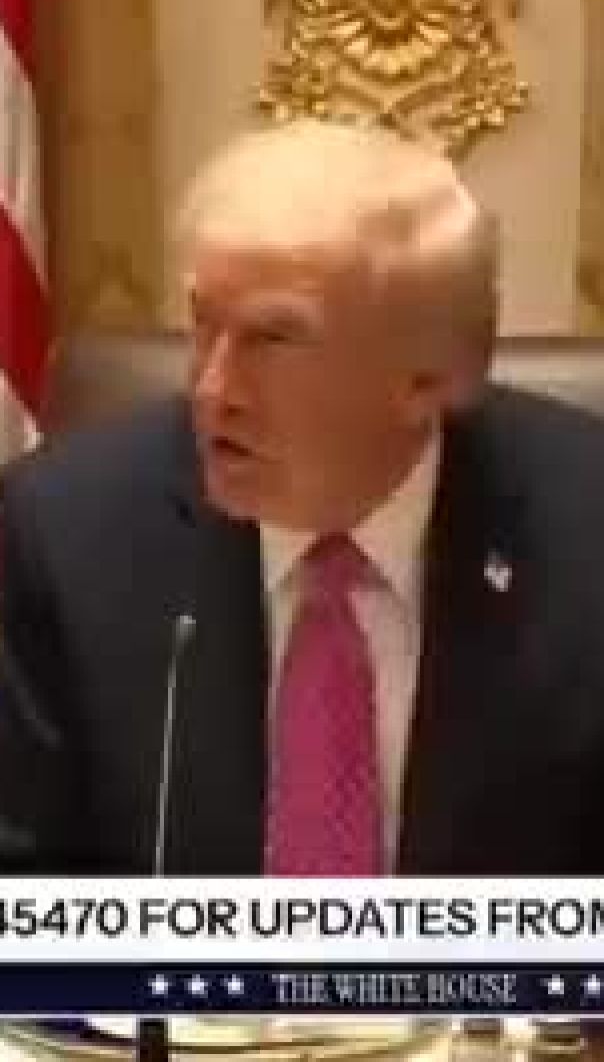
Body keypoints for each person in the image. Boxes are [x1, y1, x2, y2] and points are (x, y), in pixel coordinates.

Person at [2, 119, 604, 876]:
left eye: (273, 340)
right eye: (203, 325)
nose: (212, 390)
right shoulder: (66, 532)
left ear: (427, 377)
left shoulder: (584, 529)